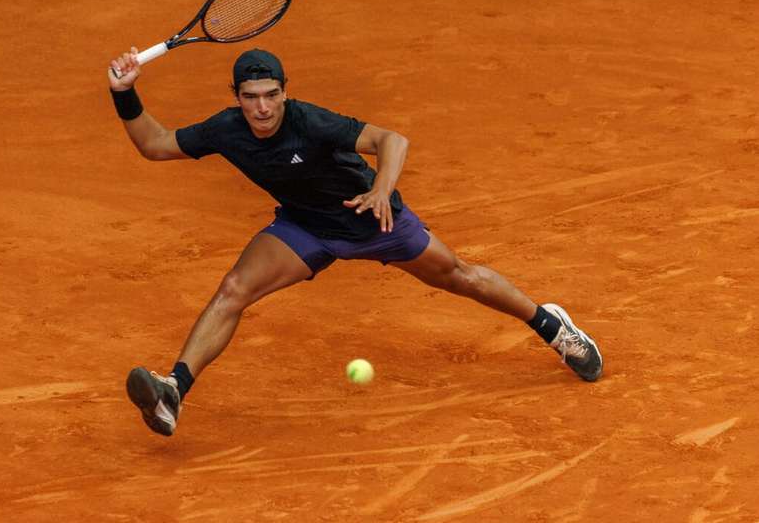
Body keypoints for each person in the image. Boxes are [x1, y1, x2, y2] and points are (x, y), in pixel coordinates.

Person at [107, 47, 603, 437]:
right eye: (250, 96)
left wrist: (381, 191)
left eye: (271, 94)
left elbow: (392, 141)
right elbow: (155, 144)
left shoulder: (310, 121)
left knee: (459, 276)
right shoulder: (226, 129)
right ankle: (174, 390)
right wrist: (124, 93)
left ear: (285, 93)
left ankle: (553, 328)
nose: (261, 107)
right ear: (236, 95)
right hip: (305, 229)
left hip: (369, 220)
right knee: (235, 287)